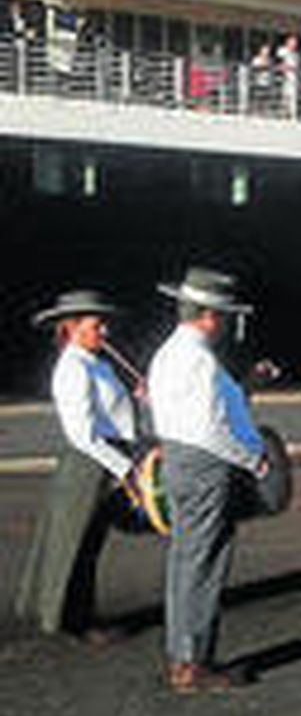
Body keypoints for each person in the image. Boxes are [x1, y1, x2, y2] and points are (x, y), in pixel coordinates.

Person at [147, 268, 268, 692]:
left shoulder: (166, 352)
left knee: (185, 559)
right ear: (209, 316)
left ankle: (182, 652)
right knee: (205, 562)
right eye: (223, 315)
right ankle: (194, 662)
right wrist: (253, 461)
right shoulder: (199, 358)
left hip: (177, 458)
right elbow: (211, 427)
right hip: (204, 464)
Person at [14, 291, 147, 641]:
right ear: (71, 328)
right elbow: (82, 435)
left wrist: (137, 399)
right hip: (88, 465)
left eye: (103, 324)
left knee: (88, 545)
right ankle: (77, 623)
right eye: (96, 325)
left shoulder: (96, 362)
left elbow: (110, 415)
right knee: (74, 545)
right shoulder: (72, 368)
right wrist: (126, 469)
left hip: (104, 461)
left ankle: (79, 616)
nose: (104, 331)